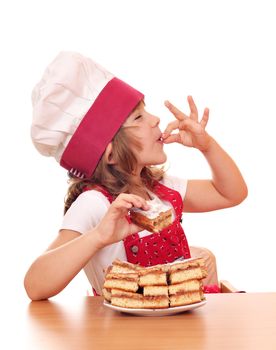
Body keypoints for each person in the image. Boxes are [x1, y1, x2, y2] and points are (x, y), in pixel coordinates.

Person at [24, 51, 247, 301]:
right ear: (110, 154)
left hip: (180, 328)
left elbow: (230, 194)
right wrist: (97, 237)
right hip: (128, 337)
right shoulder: (95, 204)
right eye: (139, 117)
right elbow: (35, 285)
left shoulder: (160, 188)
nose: (155, 120)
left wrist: (207, 146)